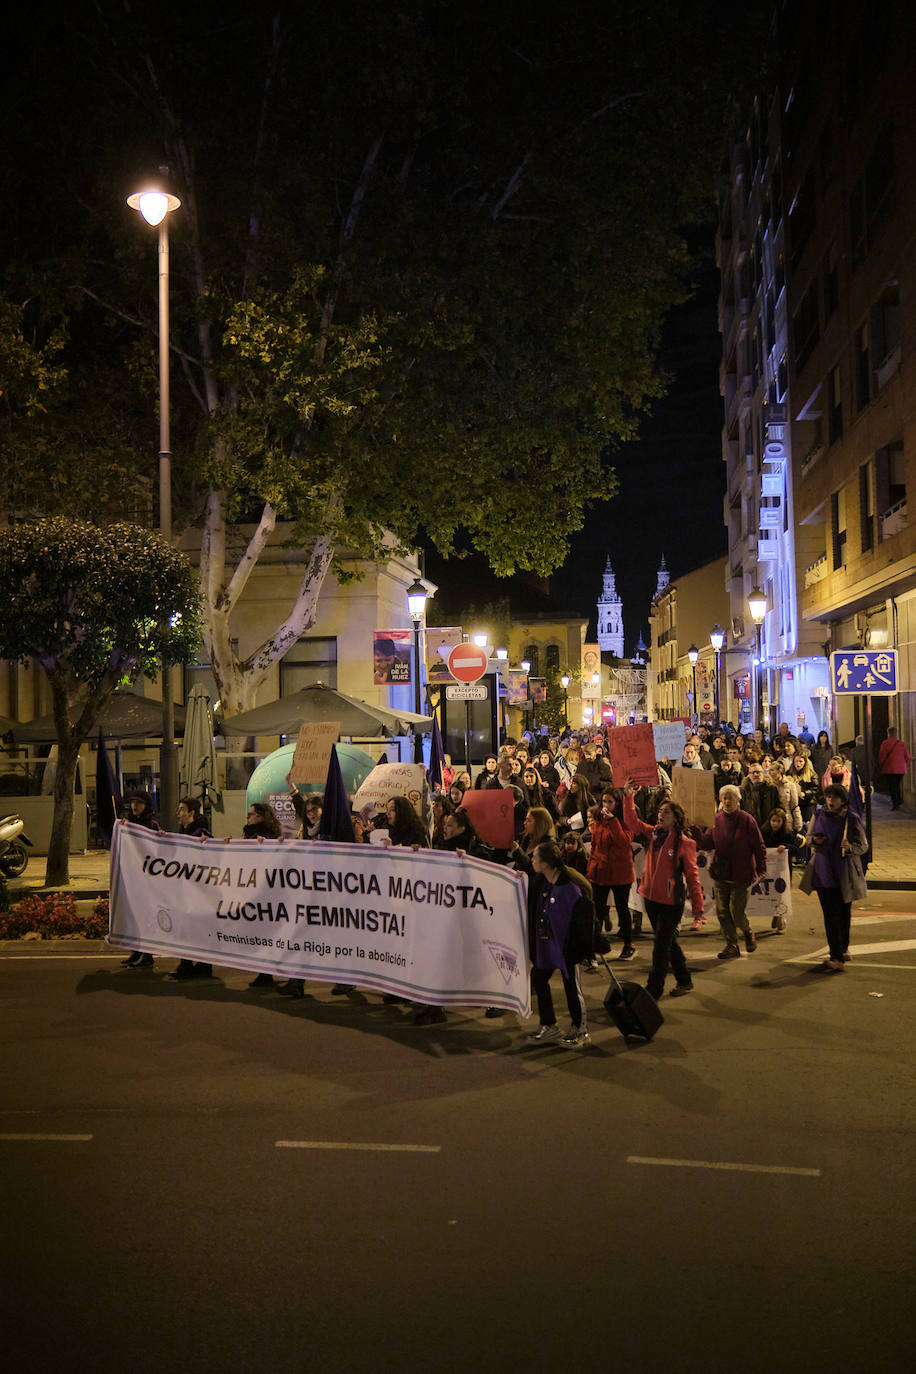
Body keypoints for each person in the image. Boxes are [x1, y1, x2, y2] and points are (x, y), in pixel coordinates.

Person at [622, 787, 703, 999]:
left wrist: (698, 908)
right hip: (651, 898)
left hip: (671, 903)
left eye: (666, 812)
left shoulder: (686, 844)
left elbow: (693, 878)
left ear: (676, 818)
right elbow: (633, 823)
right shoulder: (655, 833)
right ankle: (684, 979)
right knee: (666, 942)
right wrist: (629, 796)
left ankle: (653, 990)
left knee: (660, 947)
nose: (661, 814)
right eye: (660, 811)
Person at [524, 840, 595, 1047]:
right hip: (547, 945)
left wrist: (583, 950)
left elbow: (583, 922)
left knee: (571, 986)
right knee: (538, 979)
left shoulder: (571, 888)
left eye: (535, 857)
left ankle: (580, 1029)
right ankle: (549, 1024)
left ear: (546, 863)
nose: (532, 860)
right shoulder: (541, 882)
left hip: (567, 947)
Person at [692, 784, 766, 960]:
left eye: (730, 797)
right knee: (722, 912)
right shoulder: (716, 820)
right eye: (724, 798)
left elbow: (759, 846)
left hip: (742, 875)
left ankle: (747, 932)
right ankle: (731, 945)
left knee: (737, 913)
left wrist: (761, 867)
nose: (727, 801)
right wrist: (695, 830)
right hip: (722, 874)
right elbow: (706, 844)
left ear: (738, 800)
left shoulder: (748, 820)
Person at [805, 784, 868, 971]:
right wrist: (814, 841)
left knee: (843, 913)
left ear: (843, 800)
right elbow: (807, 838)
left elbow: (863, 845)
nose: (831, 801)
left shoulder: (851, 818)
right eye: (828, 797)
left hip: (844, 872)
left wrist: (850, 847)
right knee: (830, 915)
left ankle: (842, 949)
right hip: (824, 872)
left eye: (835, 798)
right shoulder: (818, 816)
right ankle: (836, 956)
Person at [168, 796, 215, 982]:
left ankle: (189, 965)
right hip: (189, 889)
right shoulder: (186, 831)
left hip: (198, 891)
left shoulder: (201, 833)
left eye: (181, 810)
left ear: (192, 813)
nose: (178, 813)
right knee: (192, 927)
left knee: (191, 927)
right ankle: (199, 965)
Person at [587, 788, 636, 960]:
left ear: (618, 804)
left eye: (610, 802)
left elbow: (623, 841)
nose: (606, 805)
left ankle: (628, 944)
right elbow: (595, 845)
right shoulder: (598, 819)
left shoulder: (624, 821)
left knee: (623, 909)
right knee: (597, 910)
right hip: (600, 872)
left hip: (619, 873)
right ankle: (593, 948)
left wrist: (613, 821)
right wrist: (592, 867)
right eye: (604, 801)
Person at [243, 803, 283, 989]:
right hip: (255, 889)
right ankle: (265, 971)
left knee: (267, 931)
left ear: (260, 816)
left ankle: (268, 972)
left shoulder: (267, 836)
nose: (247, 818)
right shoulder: (251, 833)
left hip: (266, 892)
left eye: (250, 814)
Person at [119, 793, 161, 968]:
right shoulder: (128, 823)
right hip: (132, 876)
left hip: (147, 878)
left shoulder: (151, 824)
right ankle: (136, 951)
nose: (135, 805)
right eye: (132, 802)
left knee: (145, 916)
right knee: (135, 915)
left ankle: (147, 953)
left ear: (147, 805)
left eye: (139, 803)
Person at [740, 761, 782, 829]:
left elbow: (777, 807)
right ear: (749, 775)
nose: (755, 774)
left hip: (768, 828)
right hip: (750, 827)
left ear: (763, 773)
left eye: (758, 772)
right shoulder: (744, 791)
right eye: (752, 773)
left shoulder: (772, 789)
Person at [877, 727, 910, 810]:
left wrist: (881, 765)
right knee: (897, 785)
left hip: (889, 768)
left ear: (888, 733)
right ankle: (898, 800)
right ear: (896, 733)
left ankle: (895, 804)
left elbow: (882, 756)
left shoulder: (885, 743)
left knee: (892, 786)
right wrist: (903, 764)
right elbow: (907, 756)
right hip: (901, 769)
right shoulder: (901, 743)